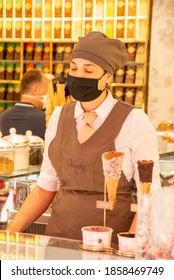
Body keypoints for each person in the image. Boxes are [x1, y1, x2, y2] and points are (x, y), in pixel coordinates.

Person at [6, 31, 161, 245]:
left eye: (89, 70)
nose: (79, 76)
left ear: (108, 76)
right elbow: (45, 186)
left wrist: (131, 247)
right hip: (58, 243)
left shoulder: (134, 120)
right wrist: (9, 234)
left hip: (111, 247)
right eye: (74, 68)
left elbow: (150, 194)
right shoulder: (60, 116)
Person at [0, 69, 49, 139]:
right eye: (46, 90)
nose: (48, 95)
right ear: (35, 89)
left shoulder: (4, 116)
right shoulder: (45, 119)